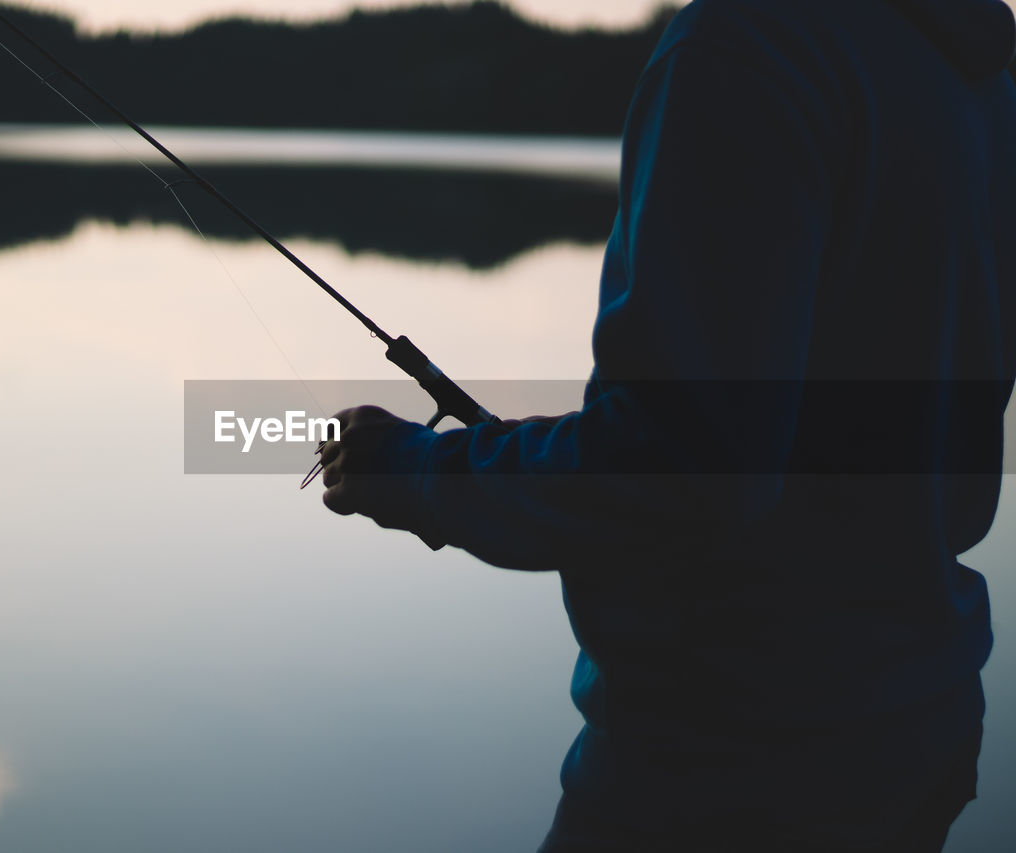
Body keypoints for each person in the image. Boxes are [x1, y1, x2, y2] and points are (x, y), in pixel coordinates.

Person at [317, 0, 1016, 850]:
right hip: (917, 729)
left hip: (725, 770)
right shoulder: (975, 77)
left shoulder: (749, 45)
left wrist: (421, 471)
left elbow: (681, 464)